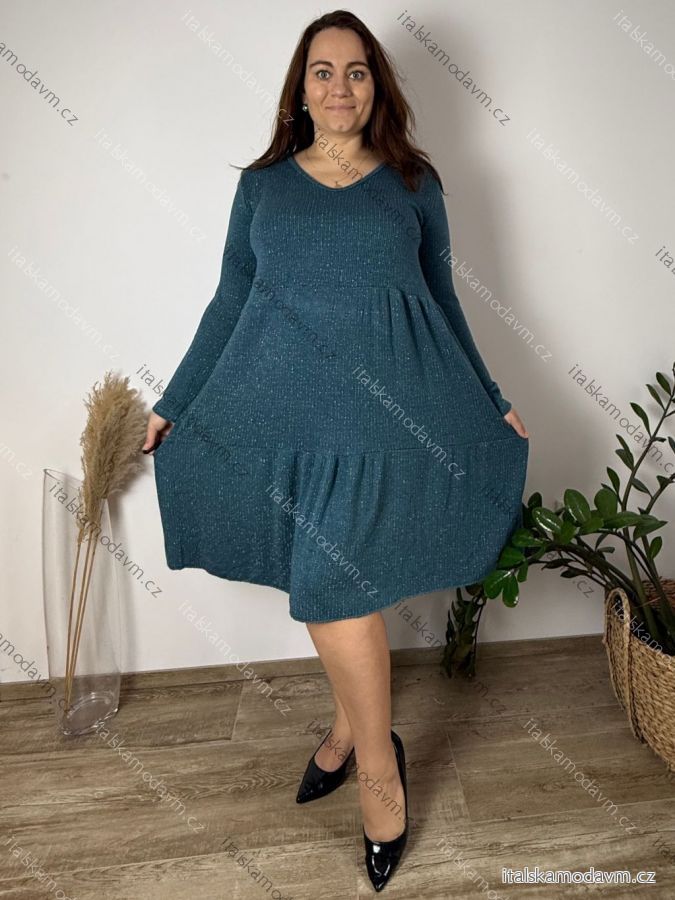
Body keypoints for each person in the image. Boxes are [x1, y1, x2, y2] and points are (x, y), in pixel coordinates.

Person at [143, 9, 529, 891]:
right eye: (323, 71)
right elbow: (229, 301)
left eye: (356, 71)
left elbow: (442, 302)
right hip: (285, 415)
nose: (340, 86)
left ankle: (375, 769)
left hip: (386, 422)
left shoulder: (413, 183)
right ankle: (356, 731)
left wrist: (490, 399)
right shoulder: (262, 188)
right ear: (300, 88)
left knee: (329, 588)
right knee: (330, 588)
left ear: (376, 87)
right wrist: (177, 401)